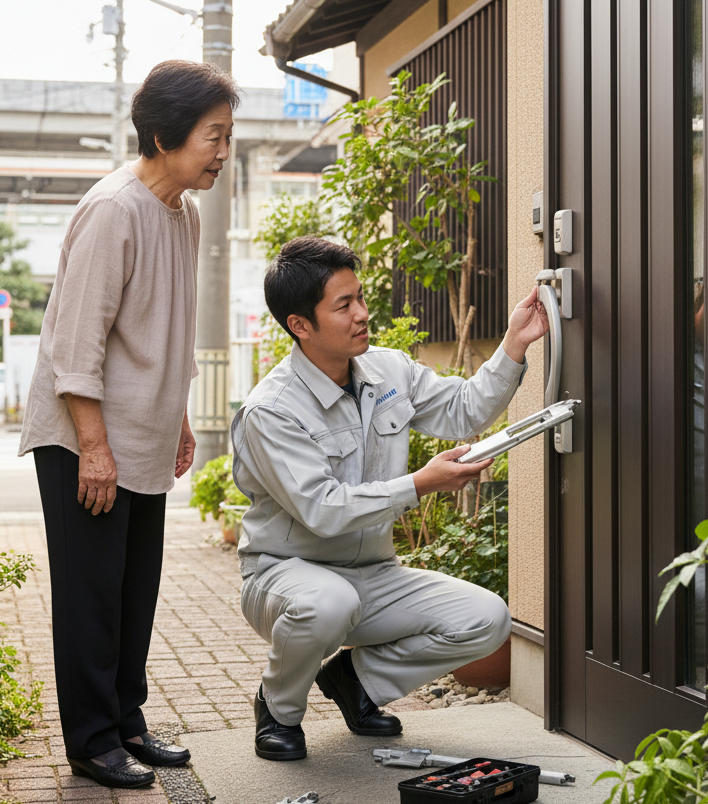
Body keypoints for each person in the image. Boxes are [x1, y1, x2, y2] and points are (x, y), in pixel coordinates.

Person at [232, 237, 549, 760]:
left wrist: (515, 342)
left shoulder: (389, 371)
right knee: (327, 603)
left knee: (487, 618)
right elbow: (323, 509)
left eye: (359, 297)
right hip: (286, 577)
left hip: (372, 575)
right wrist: (421, 483)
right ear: (300, 325)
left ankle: (355, 682)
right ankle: (278, 709)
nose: (362, 313)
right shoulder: (272, 410)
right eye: (343, 305)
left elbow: (464, 409)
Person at [19, 60, 237, 788]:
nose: (223, 152)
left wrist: (179, 417)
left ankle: (126, 720)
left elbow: (166, 327)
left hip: (141, 433)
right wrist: (93, 447)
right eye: (213, 136)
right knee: (91, 593)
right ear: (165, 134)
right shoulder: (114, 209)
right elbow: (75, 342)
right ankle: (91, 740)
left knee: (134, 588)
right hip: (85, 438)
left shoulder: (183, 212)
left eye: (228, 137)